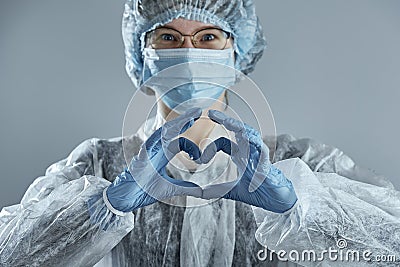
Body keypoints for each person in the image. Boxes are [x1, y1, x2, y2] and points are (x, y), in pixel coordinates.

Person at [0, 0, 399, 266]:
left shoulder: (304, 163)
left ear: (236, 55)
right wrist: (106, 205)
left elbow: (391, 249)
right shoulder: (97, 164)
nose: (189, 52)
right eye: (168, 38)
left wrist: (303, 211)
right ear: (143, 58)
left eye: (208, 37)